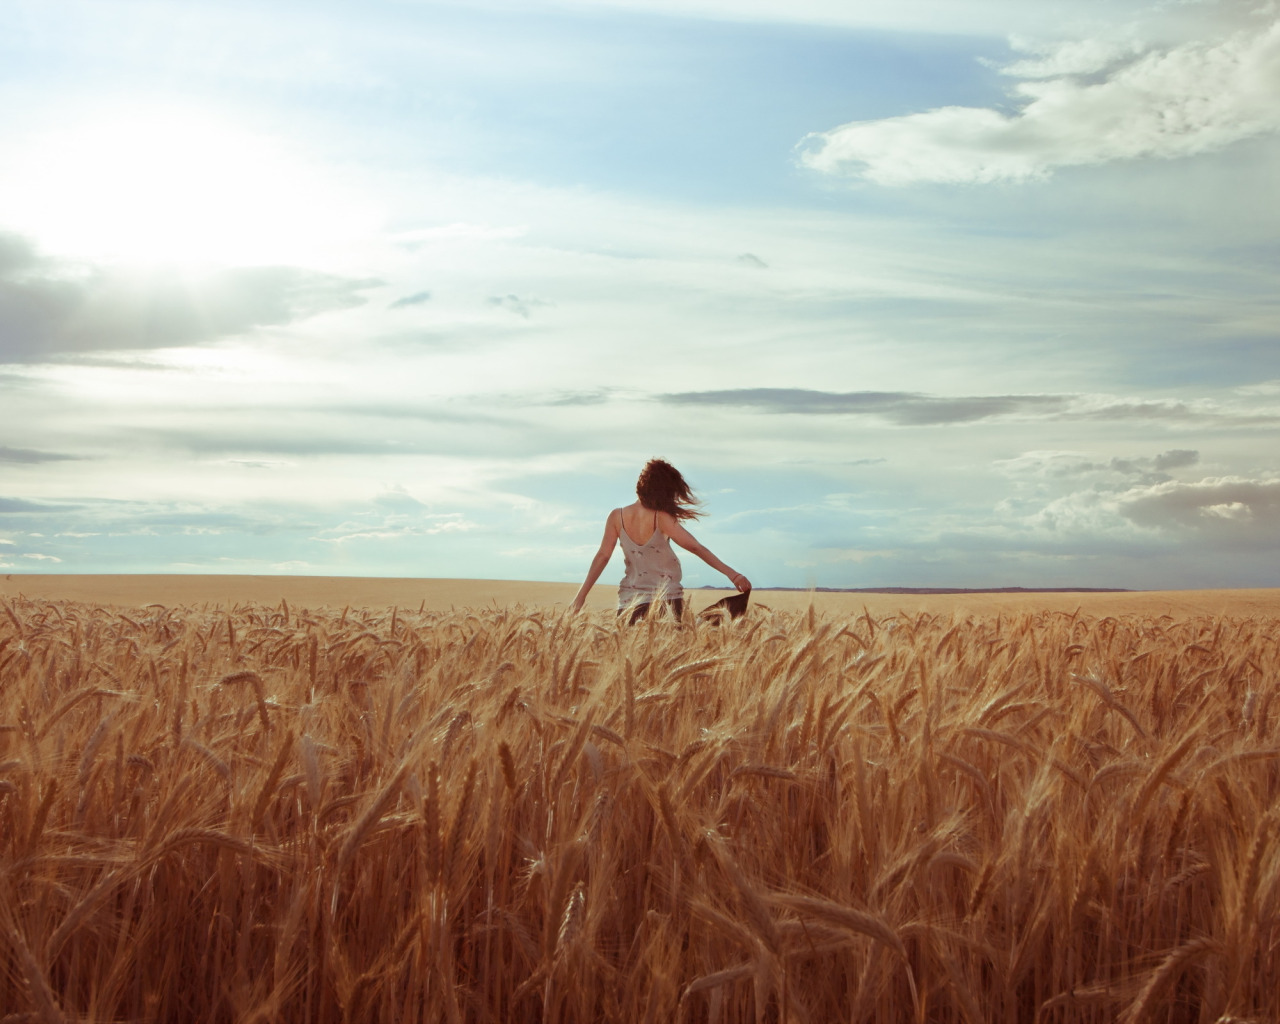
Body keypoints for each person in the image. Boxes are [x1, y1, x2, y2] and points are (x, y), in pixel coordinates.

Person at [569, 459, 751, 622]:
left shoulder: (617, 516)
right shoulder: (662, 517)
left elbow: (603, 556)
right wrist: (733, 574)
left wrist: (580, 597)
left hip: (629, 605)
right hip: (667, 603)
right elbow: (695, 547)